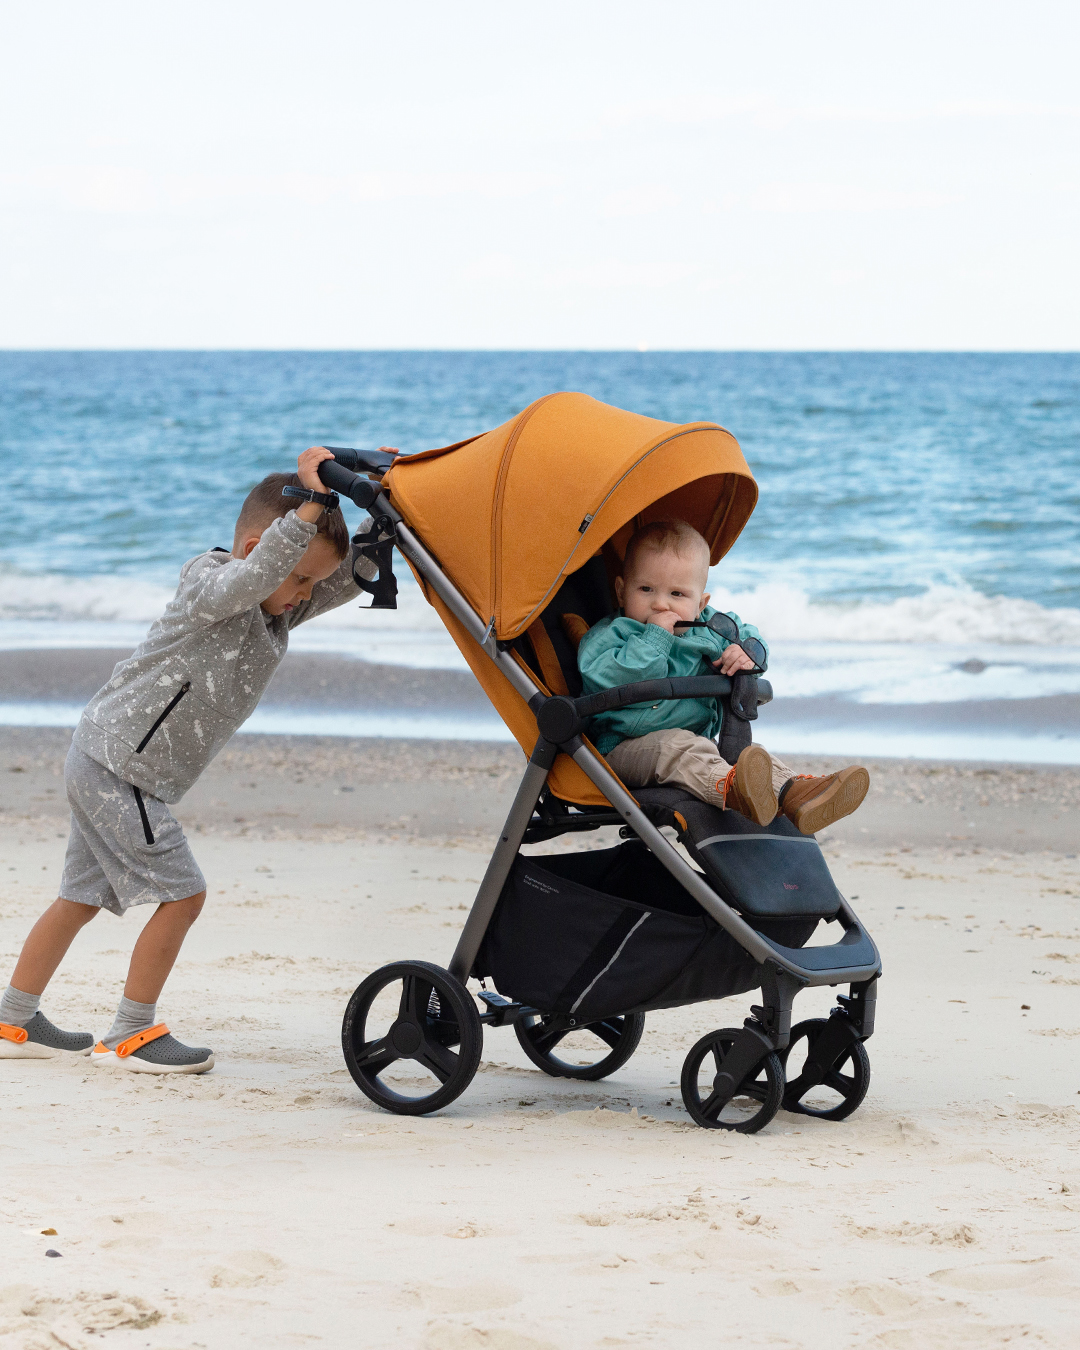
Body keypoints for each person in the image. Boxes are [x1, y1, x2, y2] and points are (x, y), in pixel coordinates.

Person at [0, 446, 384, 1073]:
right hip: (120, 764)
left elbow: (349, 575)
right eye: (297, 577)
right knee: (183, 894)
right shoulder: (208, 582)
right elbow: (255, 578)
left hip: (111, 760)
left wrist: (389, 511)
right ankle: (133, 1034)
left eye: (309, 582)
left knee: (80, 896)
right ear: (256, 546)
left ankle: (11, 1019)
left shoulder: (276, 608)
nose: (303, 593)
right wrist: (312, 506)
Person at [578, 519, 869, 834]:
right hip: (623, 748)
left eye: (677, 594)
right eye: (645, 589)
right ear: (621, 591)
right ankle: (735, 791)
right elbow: (617, 679)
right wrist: (655, 639)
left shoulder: (709, 629)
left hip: (699, 743)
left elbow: (750, 636)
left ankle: (794, 793)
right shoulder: (611, 636)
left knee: (745, 760)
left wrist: (747, 654)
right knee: (682, 749)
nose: (660, 603)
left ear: (700, 603)